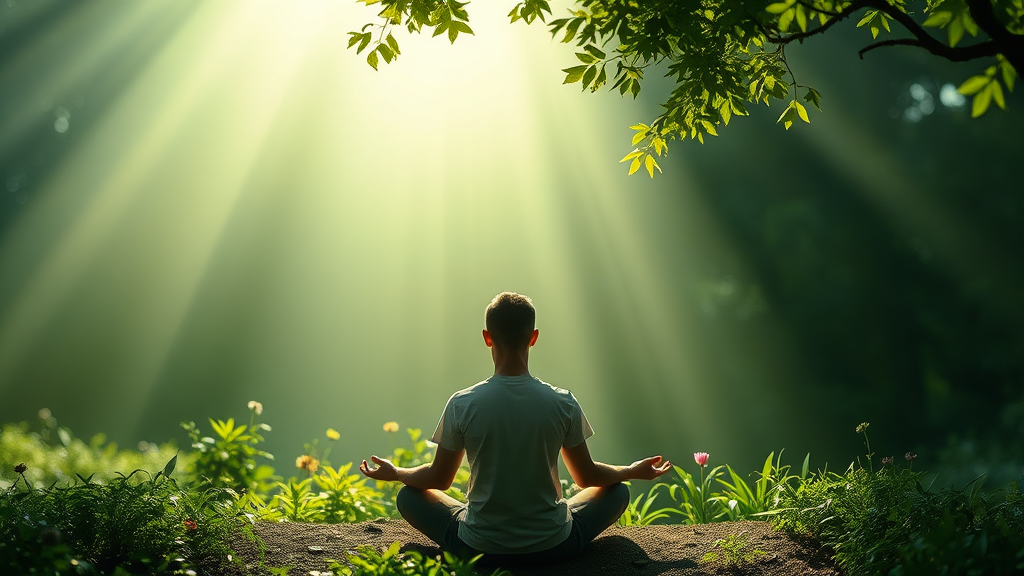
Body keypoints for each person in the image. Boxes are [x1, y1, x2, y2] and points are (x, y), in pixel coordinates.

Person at [359, 291, 671, 564]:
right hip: (555, 545)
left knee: (408, 497)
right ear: (533, 337)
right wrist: (631, 470)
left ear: (487, 337)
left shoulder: (462, 404)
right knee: (617, 491)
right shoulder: (562, 402)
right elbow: (586, 477)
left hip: (478, 547)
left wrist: (397, 472)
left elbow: (439, 479)